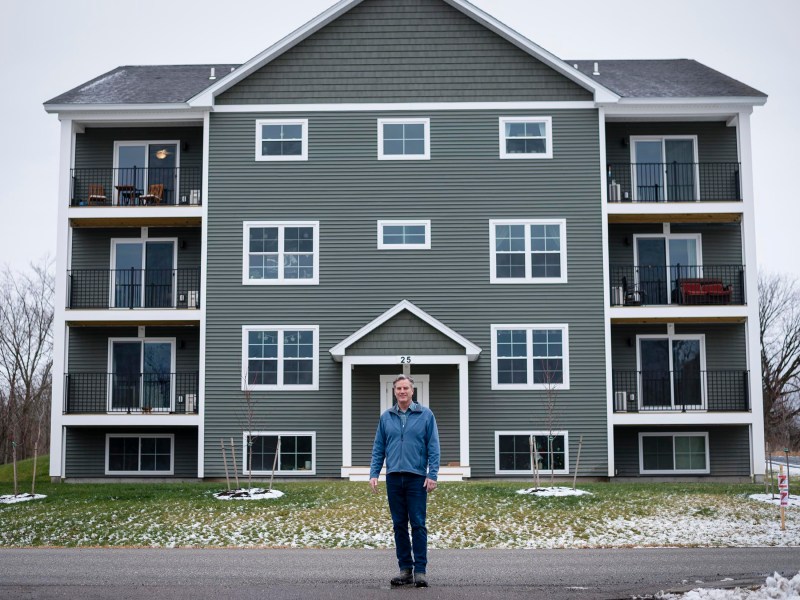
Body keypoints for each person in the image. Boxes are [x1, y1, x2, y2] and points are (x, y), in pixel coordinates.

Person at [370, 374, 440, 588]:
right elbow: (378, 447)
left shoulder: (425, 415)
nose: (402, 391)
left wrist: (433, 474)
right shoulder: (386, 417)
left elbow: (433, 447)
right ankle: (405, 570)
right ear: (394, 391)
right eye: (398, 388)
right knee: (399, 525)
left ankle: (420, 571)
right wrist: (374, 473)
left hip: (417, 478)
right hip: (393, 478)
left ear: (412, 391)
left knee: (418, 524)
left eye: (406, 388)